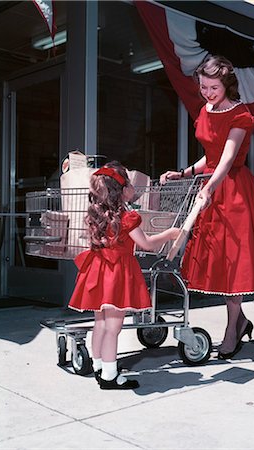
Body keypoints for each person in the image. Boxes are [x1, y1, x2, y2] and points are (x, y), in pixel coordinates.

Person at [160, 55, 254, 360]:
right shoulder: (205, 110)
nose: (208, 92)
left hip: (234, 192)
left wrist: (210, 185)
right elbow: (210, 156)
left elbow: (227, 159)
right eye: (203, 86)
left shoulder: (240, 114)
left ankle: (232, 329)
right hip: (210, 189)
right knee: (217, 261)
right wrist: (185, 173)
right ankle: (239, 322)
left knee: (233, 263)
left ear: (226, 85)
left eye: (213, 87)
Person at [69, 161, 179, 389]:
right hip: (116, 273)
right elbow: (146, 244)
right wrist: (169, 234)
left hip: (99, 271)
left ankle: (100, 366)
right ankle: (109, 376)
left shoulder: (98, 215)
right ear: (121, 191)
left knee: (100, 323)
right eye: (128, 182)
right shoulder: (126, 217)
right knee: (113, 327)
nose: (132, 187)